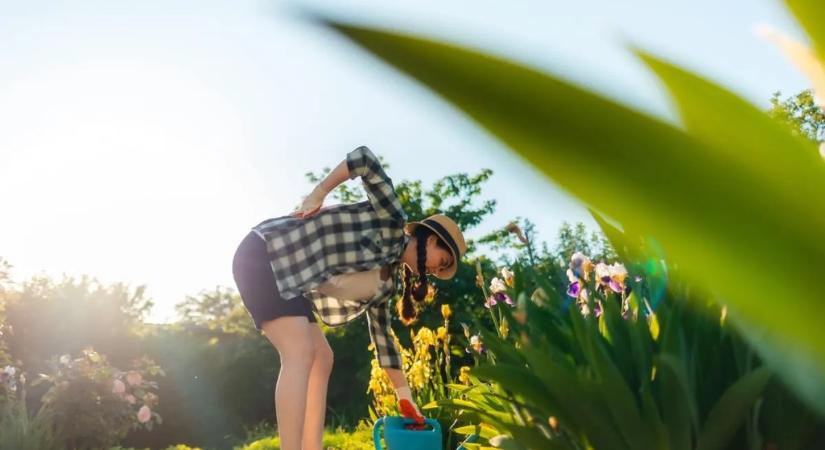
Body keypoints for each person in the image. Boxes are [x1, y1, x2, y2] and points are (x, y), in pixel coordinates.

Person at [231, 146, 466, 450]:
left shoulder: (386, 283)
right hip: (266, 253)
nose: (437, 270)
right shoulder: (392, 217)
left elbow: (383, 340)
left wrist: (404, 396)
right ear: (431, 240)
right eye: (442, 261)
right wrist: (319, 193)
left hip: (292, 279)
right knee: (300, 351)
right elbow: (364, 159)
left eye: (442, 269)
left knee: (322, 358)